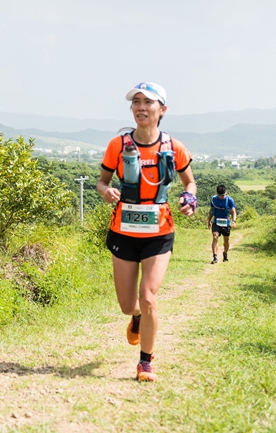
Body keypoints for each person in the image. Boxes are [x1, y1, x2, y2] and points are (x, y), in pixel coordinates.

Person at [97, 82, 197, 382]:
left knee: (149, 296)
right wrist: (106, 191)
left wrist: (188, 198)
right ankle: (136, 318)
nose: (141, 107)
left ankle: (145, 363)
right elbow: (101, 181)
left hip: (159, 231)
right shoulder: (118, 145)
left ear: (161, 110)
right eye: (136, 102)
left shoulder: (174, 147)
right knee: (129, 304)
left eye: (148, 102)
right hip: (123, 230)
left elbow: (189, 183)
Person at [206, 184, 236, 264]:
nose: (221, 197)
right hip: (216, 222)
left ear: (225, 194)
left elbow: (233, 211)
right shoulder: (213, 199)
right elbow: (211, 211)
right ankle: (215, 257)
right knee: (215, 237)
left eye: (223, 195)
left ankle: (225, 253)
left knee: (226, 240)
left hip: (226, 222)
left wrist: (234, 221)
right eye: (219, 195)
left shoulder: (230, 200)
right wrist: (209, 221)